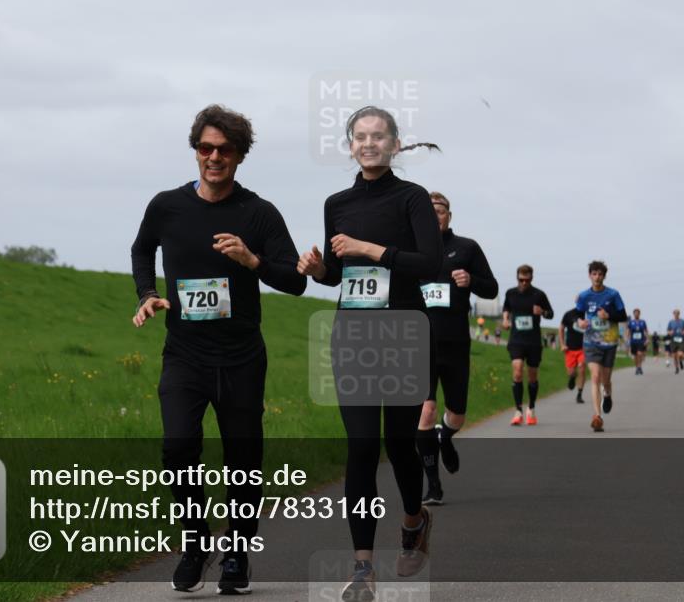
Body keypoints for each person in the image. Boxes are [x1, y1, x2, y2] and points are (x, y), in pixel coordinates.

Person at [131, 105, 307, 594]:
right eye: (205, 148)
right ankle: (195, 541)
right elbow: (141, 250)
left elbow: (294, 281)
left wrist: (252, 259)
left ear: (239, 156)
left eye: (224, 150)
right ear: (196, 151)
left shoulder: (259, 213)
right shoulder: (166, 206)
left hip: (241, 357)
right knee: (177, 446)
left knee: (243, 459)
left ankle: (237, 555)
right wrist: (147, 295)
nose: (214, 157)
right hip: (184, 354)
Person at [297, 106, 441, 600]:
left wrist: (372, 249)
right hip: (353, 336)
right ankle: (362, 567)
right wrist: (318, 270)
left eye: (379, 136)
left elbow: (431, 264)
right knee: (361, 446)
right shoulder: (336, 202)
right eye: (360, 136)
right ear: (350, 144)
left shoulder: (412, 198)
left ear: (395, 145)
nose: (369, 144)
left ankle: (413, 521)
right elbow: (338, 274)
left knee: (399, 445)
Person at [416, 191, 498, 506]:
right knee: (425, 410)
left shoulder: (466, 248)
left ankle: (445, 437)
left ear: (449, 215)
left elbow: (491, 287)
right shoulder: (413, 250)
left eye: (440, 210)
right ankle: (433, 486)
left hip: (455, 342)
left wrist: (471, 279)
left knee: (457, 414)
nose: (435, 215)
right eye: (429, 210)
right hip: (420, 343)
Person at [574, 261, 627, 432]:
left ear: (604, 276)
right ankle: (597, 416)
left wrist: (608, 315)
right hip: (591, 342)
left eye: (600, 274)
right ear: (589, 275)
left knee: (606, 379)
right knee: (595, 377)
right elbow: (577, 314)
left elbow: (623, 315)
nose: (597, 277)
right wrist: (580, 321)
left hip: (609, 343)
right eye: (594, 274)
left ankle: (608, 395)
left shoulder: (613, 294)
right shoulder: (584, 296)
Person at [501, 265, 554, 426]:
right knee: (517, 371)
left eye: (527, 280)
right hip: (516, 340)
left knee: (532, 376)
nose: (524, 282)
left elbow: (551, 314)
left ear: (532, 278)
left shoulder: (539, 295)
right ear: (517, 278)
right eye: (521, 279)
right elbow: (506, 308)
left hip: (533, 342)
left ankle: (531, 408)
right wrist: (505, 319)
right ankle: (518, 410)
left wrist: (542, 312)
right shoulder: (511, 293)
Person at [559, 304, 587, 403]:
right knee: (571, 372)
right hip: (570, 349)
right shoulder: (569, 314)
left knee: (582, 367)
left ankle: (579, 394)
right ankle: (572, 377)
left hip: (583, 349)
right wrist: (562, 344)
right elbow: (561, 328)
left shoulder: (588, 314)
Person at [626, 309, 649, 375]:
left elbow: (645, 331)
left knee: (640, 354)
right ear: (634, 314)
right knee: (635, 356)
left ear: (639, 314)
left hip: (641, 341)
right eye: (635, 313)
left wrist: (647, 339)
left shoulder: (642, 322)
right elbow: (628, 331)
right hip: (633, 341)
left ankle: (640, 367)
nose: (636, 314)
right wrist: (627, 339)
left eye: (637, 313)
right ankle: (637, 368)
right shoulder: (631, 322)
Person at [667, 309, 684, 374]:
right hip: (673, 340)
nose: (676, 314)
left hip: (681, 339)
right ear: (673, 314)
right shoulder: (671, 322)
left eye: (677, 313)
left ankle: (681, 361)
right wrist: (670, 332)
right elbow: (668, 331)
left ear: (679, 314)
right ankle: (676, 368)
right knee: (674, 356)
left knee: (680, 354)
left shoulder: (682, 321)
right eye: (675, 313)